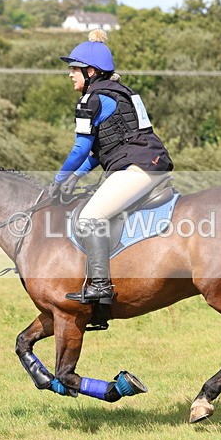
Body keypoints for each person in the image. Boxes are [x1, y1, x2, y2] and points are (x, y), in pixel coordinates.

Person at [48, 29, 173, 304]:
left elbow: (81, 149)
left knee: (89, 218)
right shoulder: (123, 92)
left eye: (74, 69)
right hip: (150, 162)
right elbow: (104, 148)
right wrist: (78, 175)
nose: (70, 74)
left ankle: (101, 286)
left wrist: (59, 179)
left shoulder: (91, 99)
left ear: (91, 71)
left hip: (136, 168)